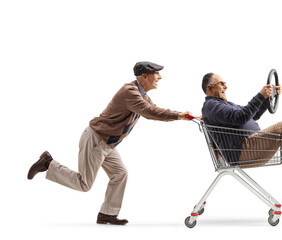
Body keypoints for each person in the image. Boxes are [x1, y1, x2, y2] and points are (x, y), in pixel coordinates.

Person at [27, 61, 191, 225]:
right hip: (96, 139)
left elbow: (154, 109)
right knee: (84, 184)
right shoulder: (130, 92)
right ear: (145, 76)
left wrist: (181, 115)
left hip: (107, 143)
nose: (160, 77)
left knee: (120, 174)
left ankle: (107, 214)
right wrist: (179, 115)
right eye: (157, 74)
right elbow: (150, 112)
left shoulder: (142, 96)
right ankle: (48, 164)